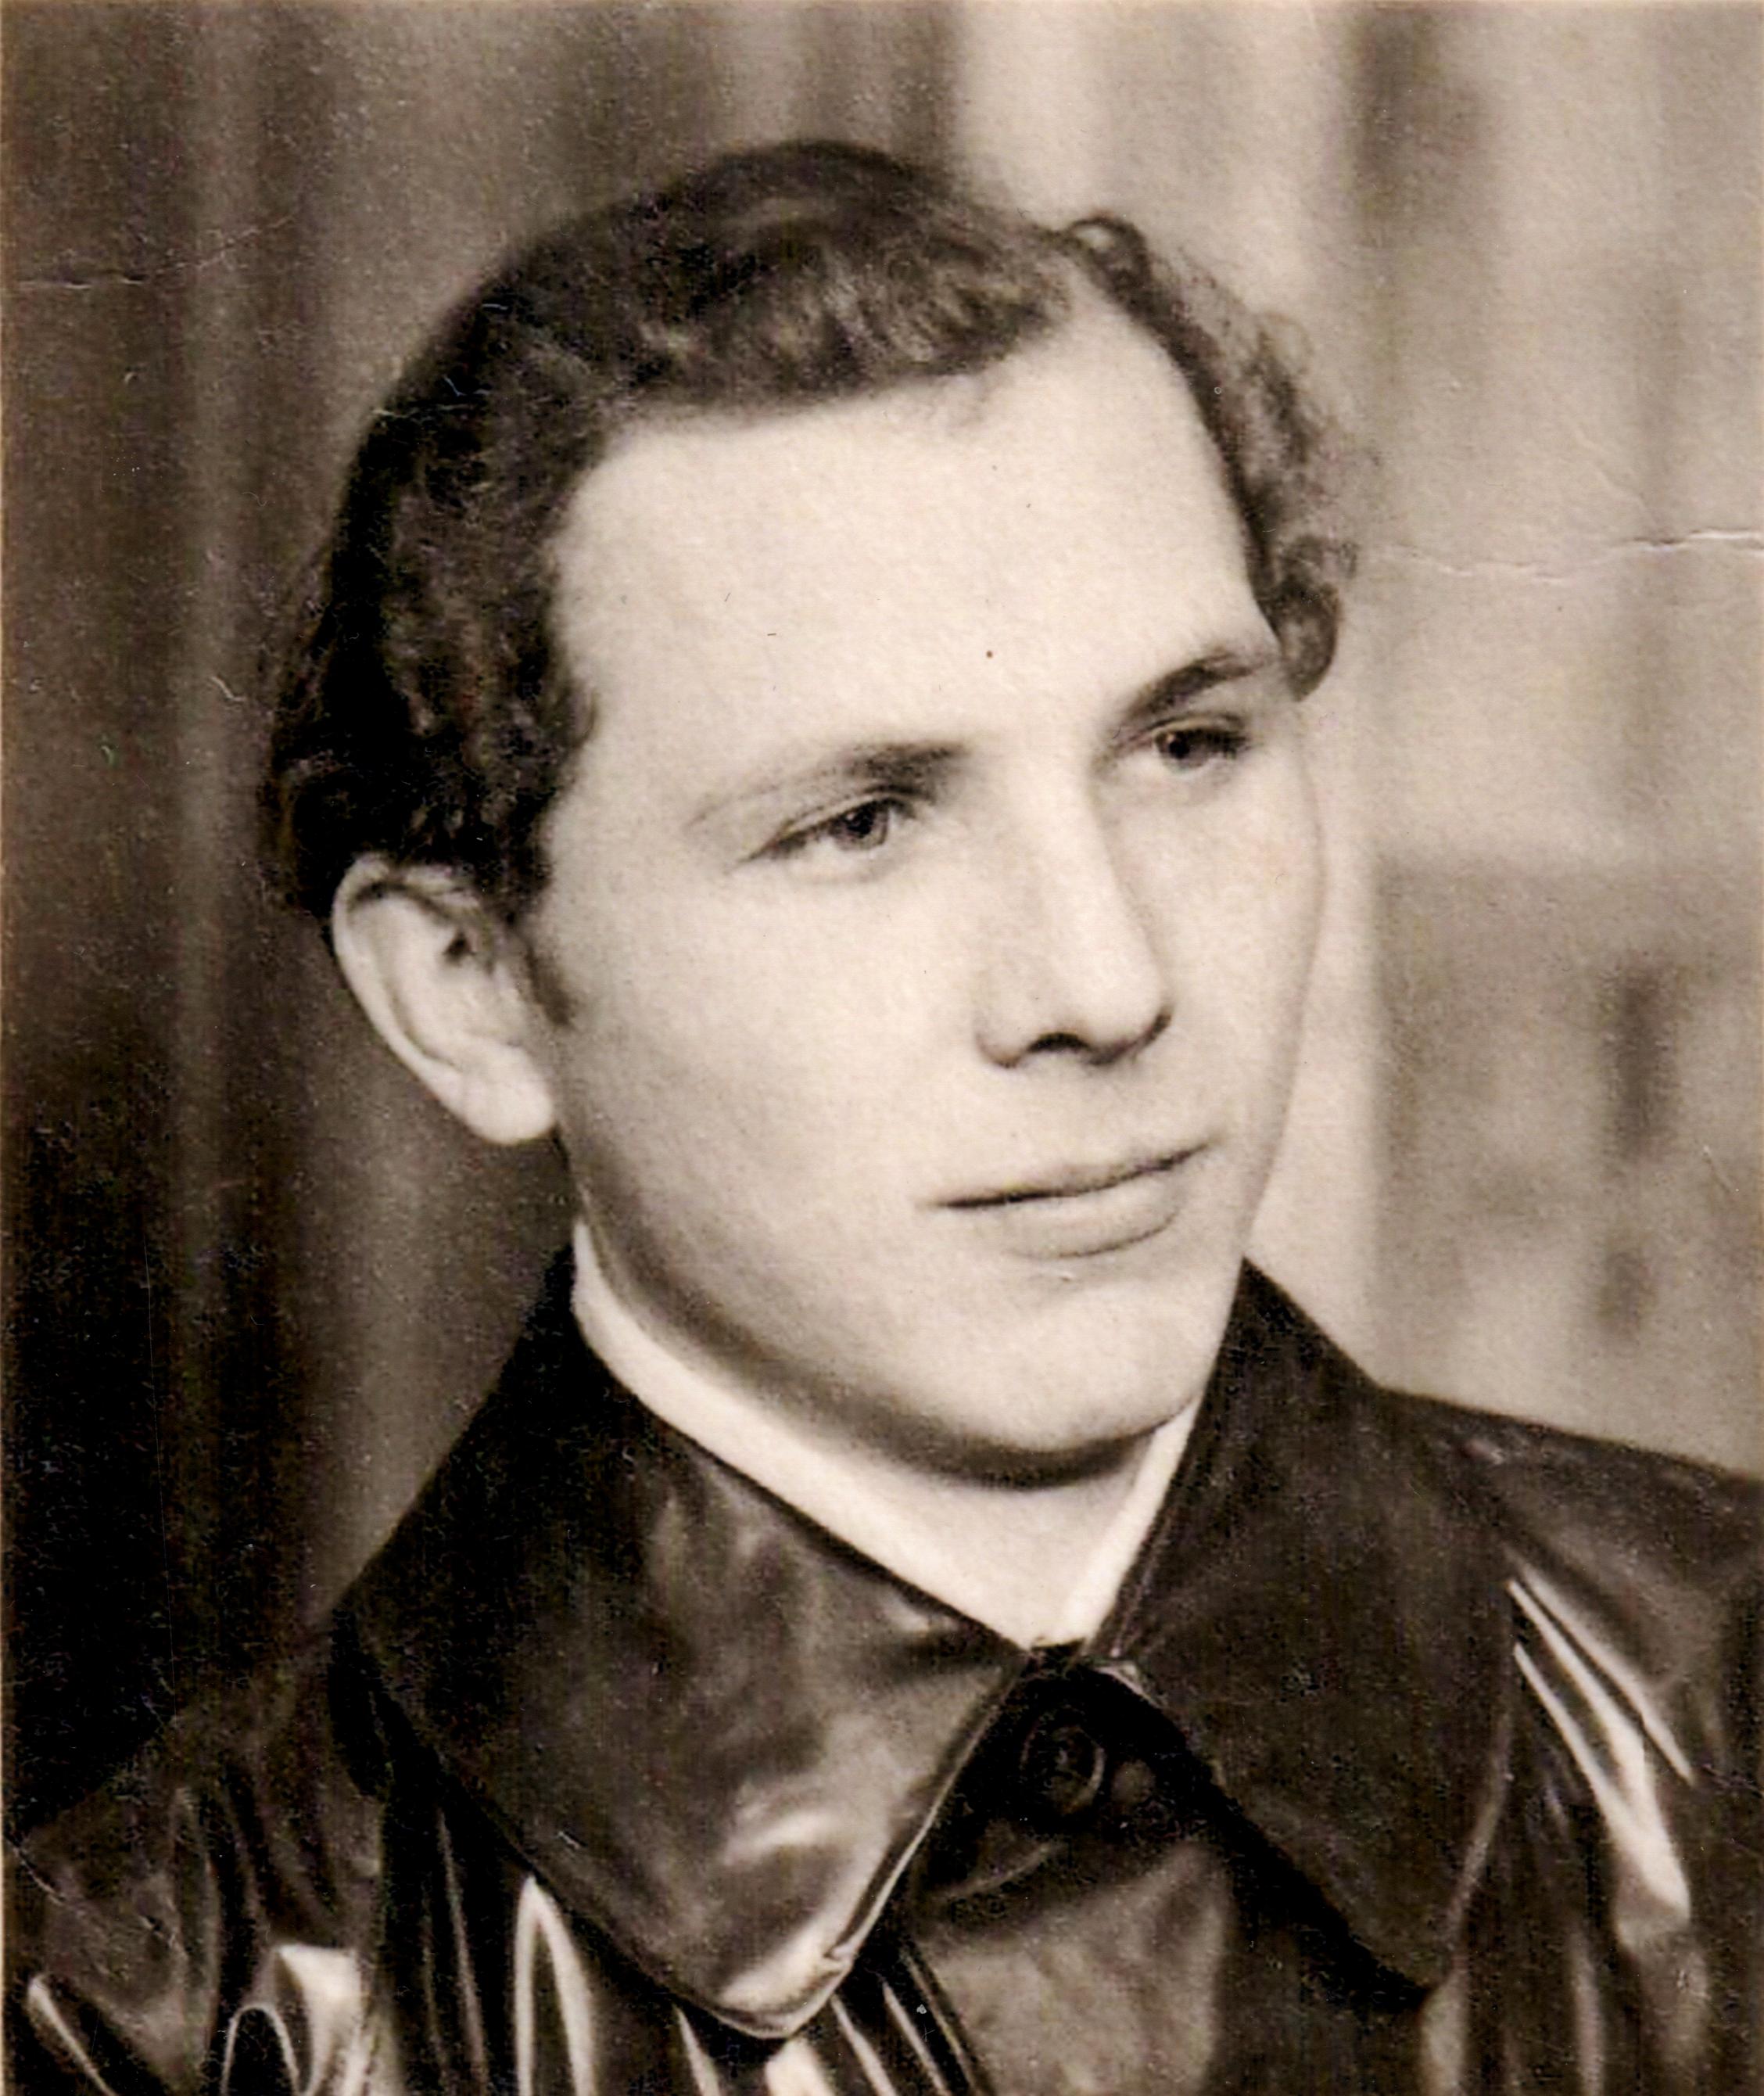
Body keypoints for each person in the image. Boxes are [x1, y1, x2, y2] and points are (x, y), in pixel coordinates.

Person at [9, 140, 1757, 2096]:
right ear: (470, 985)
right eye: (859, 824)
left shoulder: (1732, 1713)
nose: (1106, 982)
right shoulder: (142, 2025)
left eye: (1188, 745)